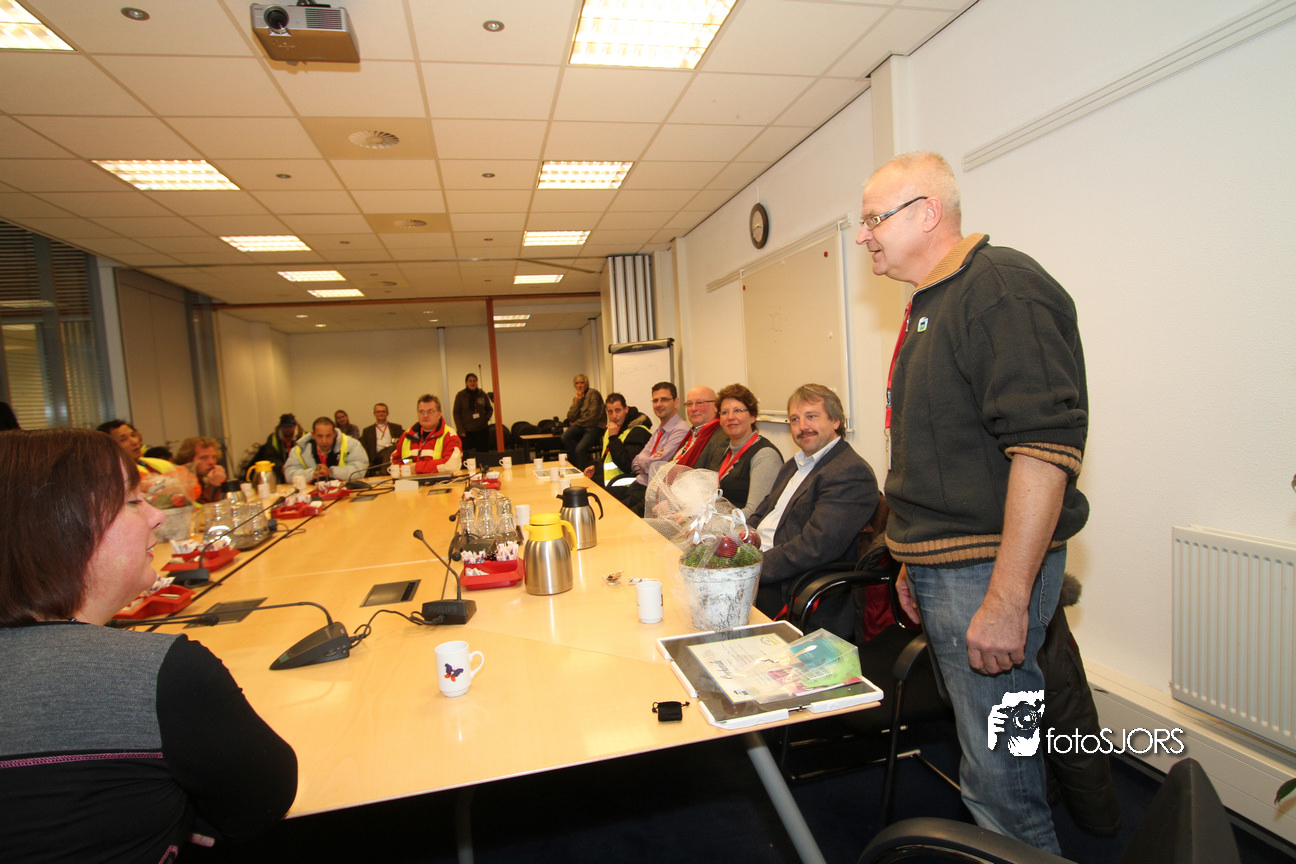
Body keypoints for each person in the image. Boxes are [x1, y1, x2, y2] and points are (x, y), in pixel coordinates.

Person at [857, 151, 1088, 852]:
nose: (864, 235)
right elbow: (938, 456)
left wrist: (1008, 599)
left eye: (873, 219)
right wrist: (912, 557)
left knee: (1003, 782)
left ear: (927, 212)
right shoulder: (933, 300)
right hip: (951, 569)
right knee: (988, 764)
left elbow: (1044, 448)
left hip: (988, 576)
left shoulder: (1001, 288)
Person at [0, 428, 297, 859]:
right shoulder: (160, 675)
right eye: (132, 501)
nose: (156, 516)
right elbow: (262, 802)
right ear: (62, 526)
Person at [747, 384, 878, 633]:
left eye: (811, 416)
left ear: (836, 421)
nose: (802, 427)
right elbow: (762, 513)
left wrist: (752, 567)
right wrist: (733, 542)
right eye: (795, 419)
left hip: (794, 585)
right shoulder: (794, 464)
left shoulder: (849, 471)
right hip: (764, 566)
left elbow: (816, 546)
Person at [611, 382, 689, 516]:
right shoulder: (659, 430)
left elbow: (656, 468)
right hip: (639, 484)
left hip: (651, 491)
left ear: (676, 402)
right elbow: (635, 462)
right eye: (655, 400)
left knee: (616, 514)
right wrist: (650, 460)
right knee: (607, 499)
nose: (658, 404)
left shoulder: (681, 430)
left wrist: (647, 461)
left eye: (664, 399)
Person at [714, 384, 781, 517]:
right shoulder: (729, 450)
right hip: (723, 522)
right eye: (725, 412)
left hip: (744, 527)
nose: (730, 417)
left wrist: (711, 521)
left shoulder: (765, 455)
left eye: (738, 410)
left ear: (752, 416)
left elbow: (754, 512)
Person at [582, 393, 651, 488]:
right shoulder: (611, 430)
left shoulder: (639, 431)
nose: (614, 416)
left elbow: (627, 466)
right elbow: (607, 457)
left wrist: (614, 438)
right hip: (610, 484)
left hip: (626, 488)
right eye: (610, 412)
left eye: (618, 410)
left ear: (626, 409)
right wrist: (596, 467)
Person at [284, 417, 369, 485]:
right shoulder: (299, 449)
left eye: (328, 436)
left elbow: (360, 468)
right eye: (320, 436)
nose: (324, 441)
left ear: (334, 433)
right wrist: (311, 474)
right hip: (310, 494)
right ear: (313, 435)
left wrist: (332, 472)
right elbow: (289, 474)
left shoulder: (351, 444)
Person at [393, 394, 462, 474]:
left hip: (440, 481)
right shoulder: (406, 436)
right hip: (409, 481)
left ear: (439, 414)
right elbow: (394, 462)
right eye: (422, 412)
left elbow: (451, 465)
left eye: (430, 411)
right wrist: (406, 466)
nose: (425, 415)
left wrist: (416, 468)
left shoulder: (450, 435)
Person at [671, 385, 727, 471]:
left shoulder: (723, 437)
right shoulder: (691, 434)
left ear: (715, 406)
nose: (693, 408)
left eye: (700, 403)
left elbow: (711, 476)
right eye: (689, 404)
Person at [98, 419, 174, 477]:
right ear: (108, 448)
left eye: (133, 435)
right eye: (123, 439)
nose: (134, 442)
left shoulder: (159, 464)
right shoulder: (114, 475)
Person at [560, 374, 604, 471]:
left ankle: (583, 471)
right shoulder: (577, 397)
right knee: (565, 437)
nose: (579, 386)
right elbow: (570, 417)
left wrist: (577, 423)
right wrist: (577, 402)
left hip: (595, 426)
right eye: (577, 383)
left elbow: (592, 416)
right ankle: (584, 459)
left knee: (580, 449)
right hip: (581, 426)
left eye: (582, 383)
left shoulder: (594, 394)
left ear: (586, 384)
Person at [252, 413, 304, 483]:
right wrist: (280, 467)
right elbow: (270, 456)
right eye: (285, 427)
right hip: (281, 473)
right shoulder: (273, 438)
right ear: (281, 427)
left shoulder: (304, 437)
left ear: (295, 426)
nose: (288, 429)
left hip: (300, 470)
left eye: (290, 426)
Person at [175, 436, 228, 504]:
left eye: (214, 457)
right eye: (203, 457)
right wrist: (213, 486)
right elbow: (199, 508)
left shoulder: (203, 479)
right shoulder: (179, 482)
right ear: (188, 460)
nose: (211, 462)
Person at [453, 373, 495, 453]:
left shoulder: (482, 394)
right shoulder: (460, 395)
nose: (472, 383)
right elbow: (456, 413)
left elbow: (489, 409)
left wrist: (485, 419)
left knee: (483, 454)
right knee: (468, 455)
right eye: (470, 381)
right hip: (466, 432)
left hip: (481, 431)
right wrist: (460, 430)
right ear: (466, 382)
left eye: (474, 381)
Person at [359, 402, 404, 472]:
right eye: (378, 412)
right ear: (374, 414)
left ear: (387, 413)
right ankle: (384, 472)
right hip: (377, 457)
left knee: (391, 449)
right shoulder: (367, 431)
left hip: (393, 452)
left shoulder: (396, 427)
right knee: (389, 451)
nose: (381, 414)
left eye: (383, 411)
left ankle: (383, 472)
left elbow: (402, 442)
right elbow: (364, 448)